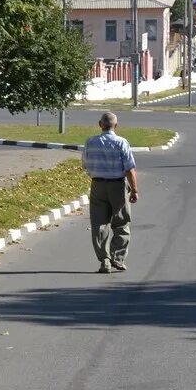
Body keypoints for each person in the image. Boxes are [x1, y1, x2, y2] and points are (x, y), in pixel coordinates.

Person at [82, 112, 139, 273]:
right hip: (118, 186)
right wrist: (134, 190)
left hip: (97, 186)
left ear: (100, 124)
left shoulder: (90, 142)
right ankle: (118, 258)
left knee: (99, 224)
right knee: (121, 223)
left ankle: (104, 260)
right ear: (116, 125)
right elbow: (129, 168)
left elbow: (85, 164)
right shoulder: (121, 142)